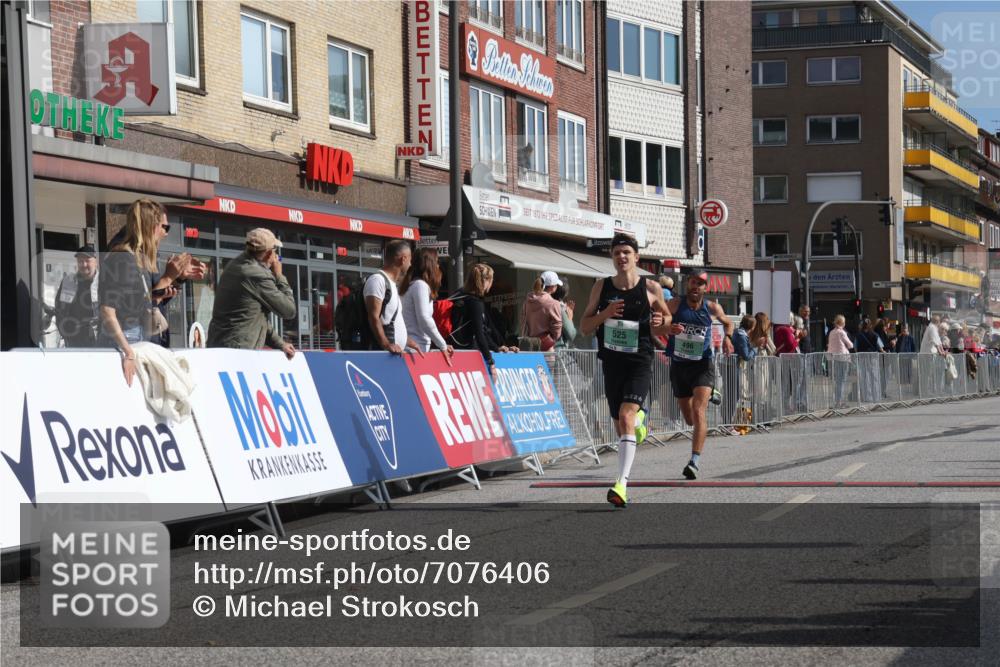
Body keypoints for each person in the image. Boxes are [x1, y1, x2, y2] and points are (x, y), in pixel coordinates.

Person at [580, 233, 671, 506]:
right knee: (621, 424)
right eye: (617, 253)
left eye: (626, 253)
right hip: (611, 362)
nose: (621, 257)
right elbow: (585, 326)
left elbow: (667, 321)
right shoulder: (601, 287)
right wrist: (605, 314)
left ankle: (621, 484)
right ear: (612, 257)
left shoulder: (651, 288)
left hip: (640, 360)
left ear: (636, 257)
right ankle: (639, 422)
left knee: (625, 414)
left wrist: (660, 319)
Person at [100, 199, 201, 385]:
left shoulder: (138, 259)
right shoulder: (123, 259)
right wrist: (127, 352)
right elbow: (107, 309)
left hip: (136, 338)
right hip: (126, 341)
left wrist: (164, 289)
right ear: (151, 227)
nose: (164, 234)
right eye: (164, 227)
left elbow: (132, 301)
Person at [662, 270, 734, 480]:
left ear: (705, 288)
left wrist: (728, 338)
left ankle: (694, 461)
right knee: (689, 419)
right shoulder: (675, 304)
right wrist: (669, 327)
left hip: (702, 364)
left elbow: (728, 323)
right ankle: (712, 391)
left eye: (700, 284)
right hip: (679, 365)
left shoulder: (712, 307)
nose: (696, 287)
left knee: (698, 410)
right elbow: (658, 324)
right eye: (693, 282)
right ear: (687, 285)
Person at [207, 228, 297, 359]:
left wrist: (281, 344)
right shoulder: (257, 274)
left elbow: (254, 318)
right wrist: (279, 275)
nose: (276, 256)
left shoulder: (235, 265)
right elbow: (289, 310)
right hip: (238, 352)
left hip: (224, 346)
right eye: (275, 251)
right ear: (268, 253)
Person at [450, 263, 515, 369]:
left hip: (455, 351)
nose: (491, 284)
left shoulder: (460, 295)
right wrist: (490, 361)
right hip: (468, 354)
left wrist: (496, 347)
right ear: (486, 281)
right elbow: (480, 334)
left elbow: (483, 331)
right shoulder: (475, 303)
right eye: (491, 280)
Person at [364, 239, 422, 355]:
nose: (410, 264)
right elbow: (373, 317)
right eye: (410, 260)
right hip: (383, 356)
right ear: (403, 259)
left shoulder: (392, 284)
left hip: (394, 355)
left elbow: (391, 320)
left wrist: (408, 341)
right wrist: (386, 344)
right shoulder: (377, 280)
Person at [400, 247, 453, 361]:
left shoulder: (411, 285)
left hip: (414, 348)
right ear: (430, 265)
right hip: (416, 350)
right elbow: (424, 318)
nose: (438, 266)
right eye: (437, 262)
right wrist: (442, 344)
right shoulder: (420, 285)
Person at [55, 245, 100, 347]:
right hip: (74, 340)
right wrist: (64, 333)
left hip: (98, 338)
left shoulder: (104, 282)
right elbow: (59, 309)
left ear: (95, 262)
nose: (84, 264)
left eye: (87, 260)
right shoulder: (68, 281)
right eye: (80, 261)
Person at [521, 271, 564, 351]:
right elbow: (557, 326)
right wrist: (553, 338)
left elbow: (523, 323)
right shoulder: (554, 303)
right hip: (546, 346)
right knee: (547, 364)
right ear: (552, 287)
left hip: (530, 346)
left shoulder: (527, 301)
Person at [827, 315, 854, 407]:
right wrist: (850, 344)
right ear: (842, 323)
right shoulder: (842, 332)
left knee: (837, 381)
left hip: (833, 358)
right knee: (841, 380)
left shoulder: (831, 332)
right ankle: (839, 402)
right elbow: (850, 345)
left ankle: (837, 401)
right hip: (842, 358)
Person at [552, 283, 577, 348]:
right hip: (558, 352)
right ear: (565, 294)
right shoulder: (560, 308)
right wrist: (570, 317)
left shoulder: (542, 304)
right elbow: (571, 335)